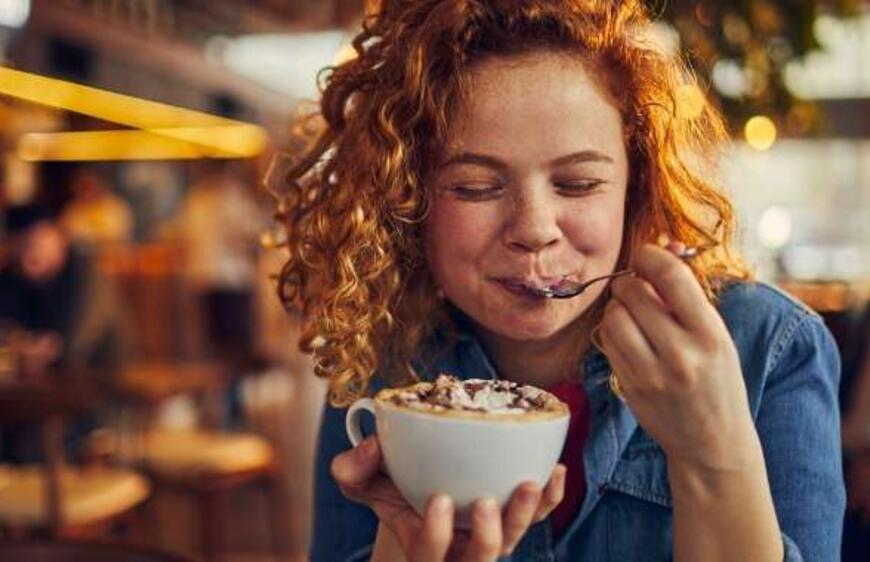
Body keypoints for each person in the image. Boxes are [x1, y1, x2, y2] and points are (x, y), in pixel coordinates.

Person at [273, 1, 844, 560]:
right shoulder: (381, 367)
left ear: (636, 186)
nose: (534, 230)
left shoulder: (769, 347)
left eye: (577, 184)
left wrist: (710, 453)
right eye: (475, 187)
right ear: (407, 200)